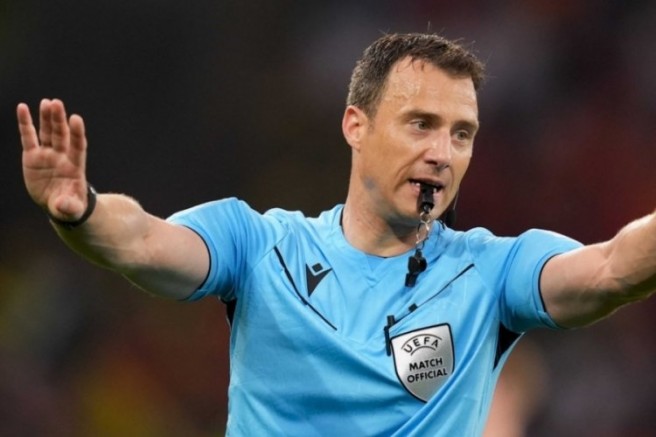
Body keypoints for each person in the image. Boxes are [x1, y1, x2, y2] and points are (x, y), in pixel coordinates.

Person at [16, 33, 656, 436]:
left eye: (461, 134)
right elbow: (143, 243)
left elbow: (611, 269)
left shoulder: (491, 273)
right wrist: (82, 210)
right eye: (420, 124)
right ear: (356, 125)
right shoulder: (260, 246)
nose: (442, 153)